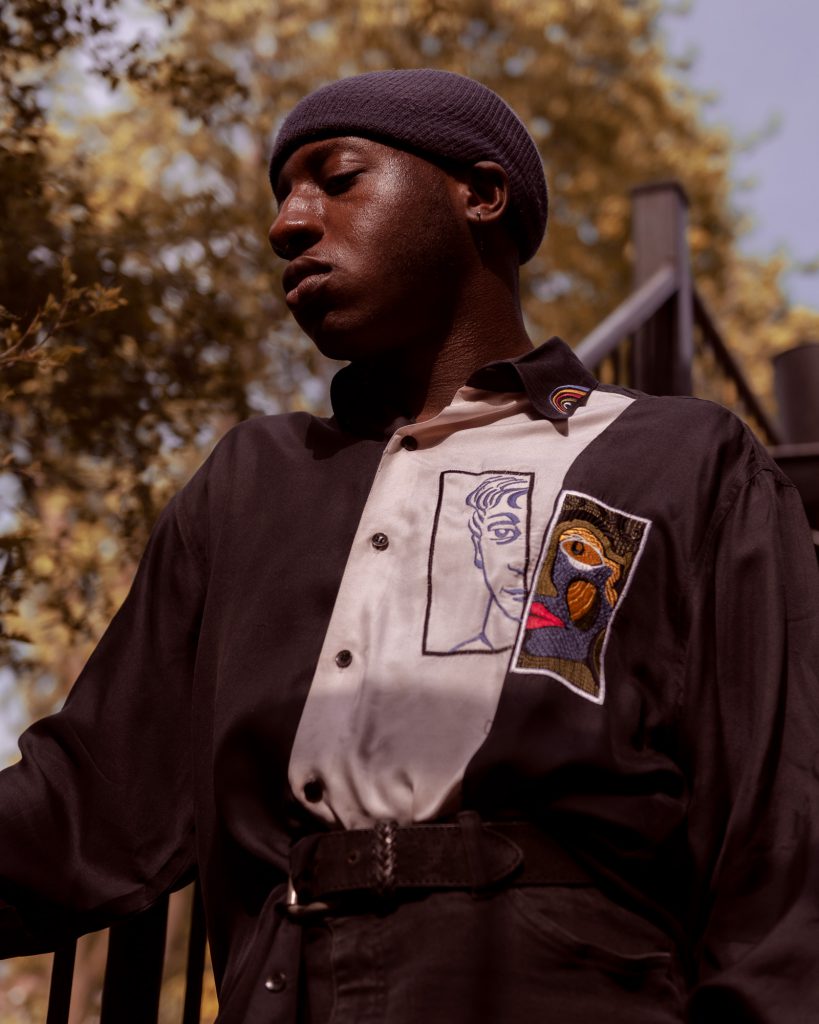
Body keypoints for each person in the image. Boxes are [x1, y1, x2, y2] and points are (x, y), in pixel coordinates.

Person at [1, 68, 818, 1024]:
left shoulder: (676, 459)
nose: (288, 224)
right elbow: (91, 805)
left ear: (480, 193)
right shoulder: (252, 484)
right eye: (282, 197)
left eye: (335, 178)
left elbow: (780, 827)